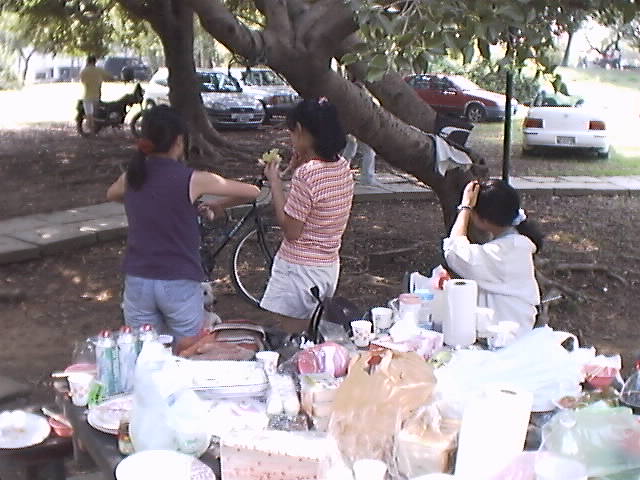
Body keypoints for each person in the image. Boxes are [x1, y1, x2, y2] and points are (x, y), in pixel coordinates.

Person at [106, 105, 260, 352]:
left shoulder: (132, 177)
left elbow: (112, 194)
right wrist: (216, 204)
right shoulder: (194, 179)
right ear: (179, 141)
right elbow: (252, 192)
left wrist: (146, 203)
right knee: (191, 353)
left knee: (141, 355)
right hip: (179, 281)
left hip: (137, 280)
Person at [261, 98, 354, 321]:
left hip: (299, 271)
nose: (291, 140)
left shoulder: (307, 175)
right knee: (311, 333)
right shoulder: (342, 166)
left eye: (292, 133)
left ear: (301, 130)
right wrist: (294, 168)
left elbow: (291, 230)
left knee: (287, 339)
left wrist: (274, 180)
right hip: (327, 267)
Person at [443, 179, 543, 335]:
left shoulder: (507, 250)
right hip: (509, 325)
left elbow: (455, 252)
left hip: (508, 333)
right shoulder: (515, 242)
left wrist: (465, 208)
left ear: (483, 219)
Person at [80, 55, 113, 134]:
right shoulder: (99, 70)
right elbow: (109, 77)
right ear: (95, 62)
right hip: (97, 96)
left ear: (87, 62)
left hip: (87, 96)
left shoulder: (84, 71)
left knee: (89, 116)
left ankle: (90, 131)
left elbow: (83, 81)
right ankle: (94, 130)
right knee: (95, 115)